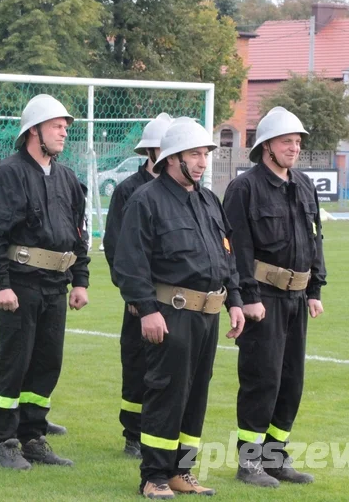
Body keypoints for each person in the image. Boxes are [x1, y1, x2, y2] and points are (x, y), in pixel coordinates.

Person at [114, 117, 245, 499]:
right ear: (172, 158)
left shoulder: (207, 200)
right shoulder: (147, 200)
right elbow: (130, 262)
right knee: (165, 393)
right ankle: (154, 476)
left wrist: (234, 300)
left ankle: (181, 472)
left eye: (205, 153)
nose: (203, 161)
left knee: (194, 395)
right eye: (195, 154)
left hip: (207, 313)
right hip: (170, 313)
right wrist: (146, 309)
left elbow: (227, 256)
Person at [0, 94, 90, 470]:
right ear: (33, 131)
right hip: (20, 286)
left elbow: (79, 236)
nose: (64, 133)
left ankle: (33, 437)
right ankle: (6, 441)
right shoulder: (7, 174)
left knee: (46, 363)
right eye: (57, 126)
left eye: (66, 127)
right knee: (14, 362)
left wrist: (81, 281)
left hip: (56, 286)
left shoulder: (68, 178)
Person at [222, 106, 327, 487]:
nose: (294, 148)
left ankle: (275, 456)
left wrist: (314, 288)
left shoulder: (303, 185)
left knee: (290, 380)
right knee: (261, 378)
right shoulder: (244, 188)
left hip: (297, 298)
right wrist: (247, 296)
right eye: (287, 141)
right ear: (267, 146)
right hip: (261, 297)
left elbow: (315, 238)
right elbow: (237, 249)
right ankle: (249, 463)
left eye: (298, 142)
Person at [103, 113, 173, 459]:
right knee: (136, 365)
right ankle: (134, 434)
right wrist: (133, 294)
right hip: (141, 298)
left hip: (177, 300)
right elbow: (117, 248)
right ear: (152, 150)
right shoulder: (128, 190)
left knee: (170, 371)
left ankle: (165, 436)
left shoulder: (187, 191)